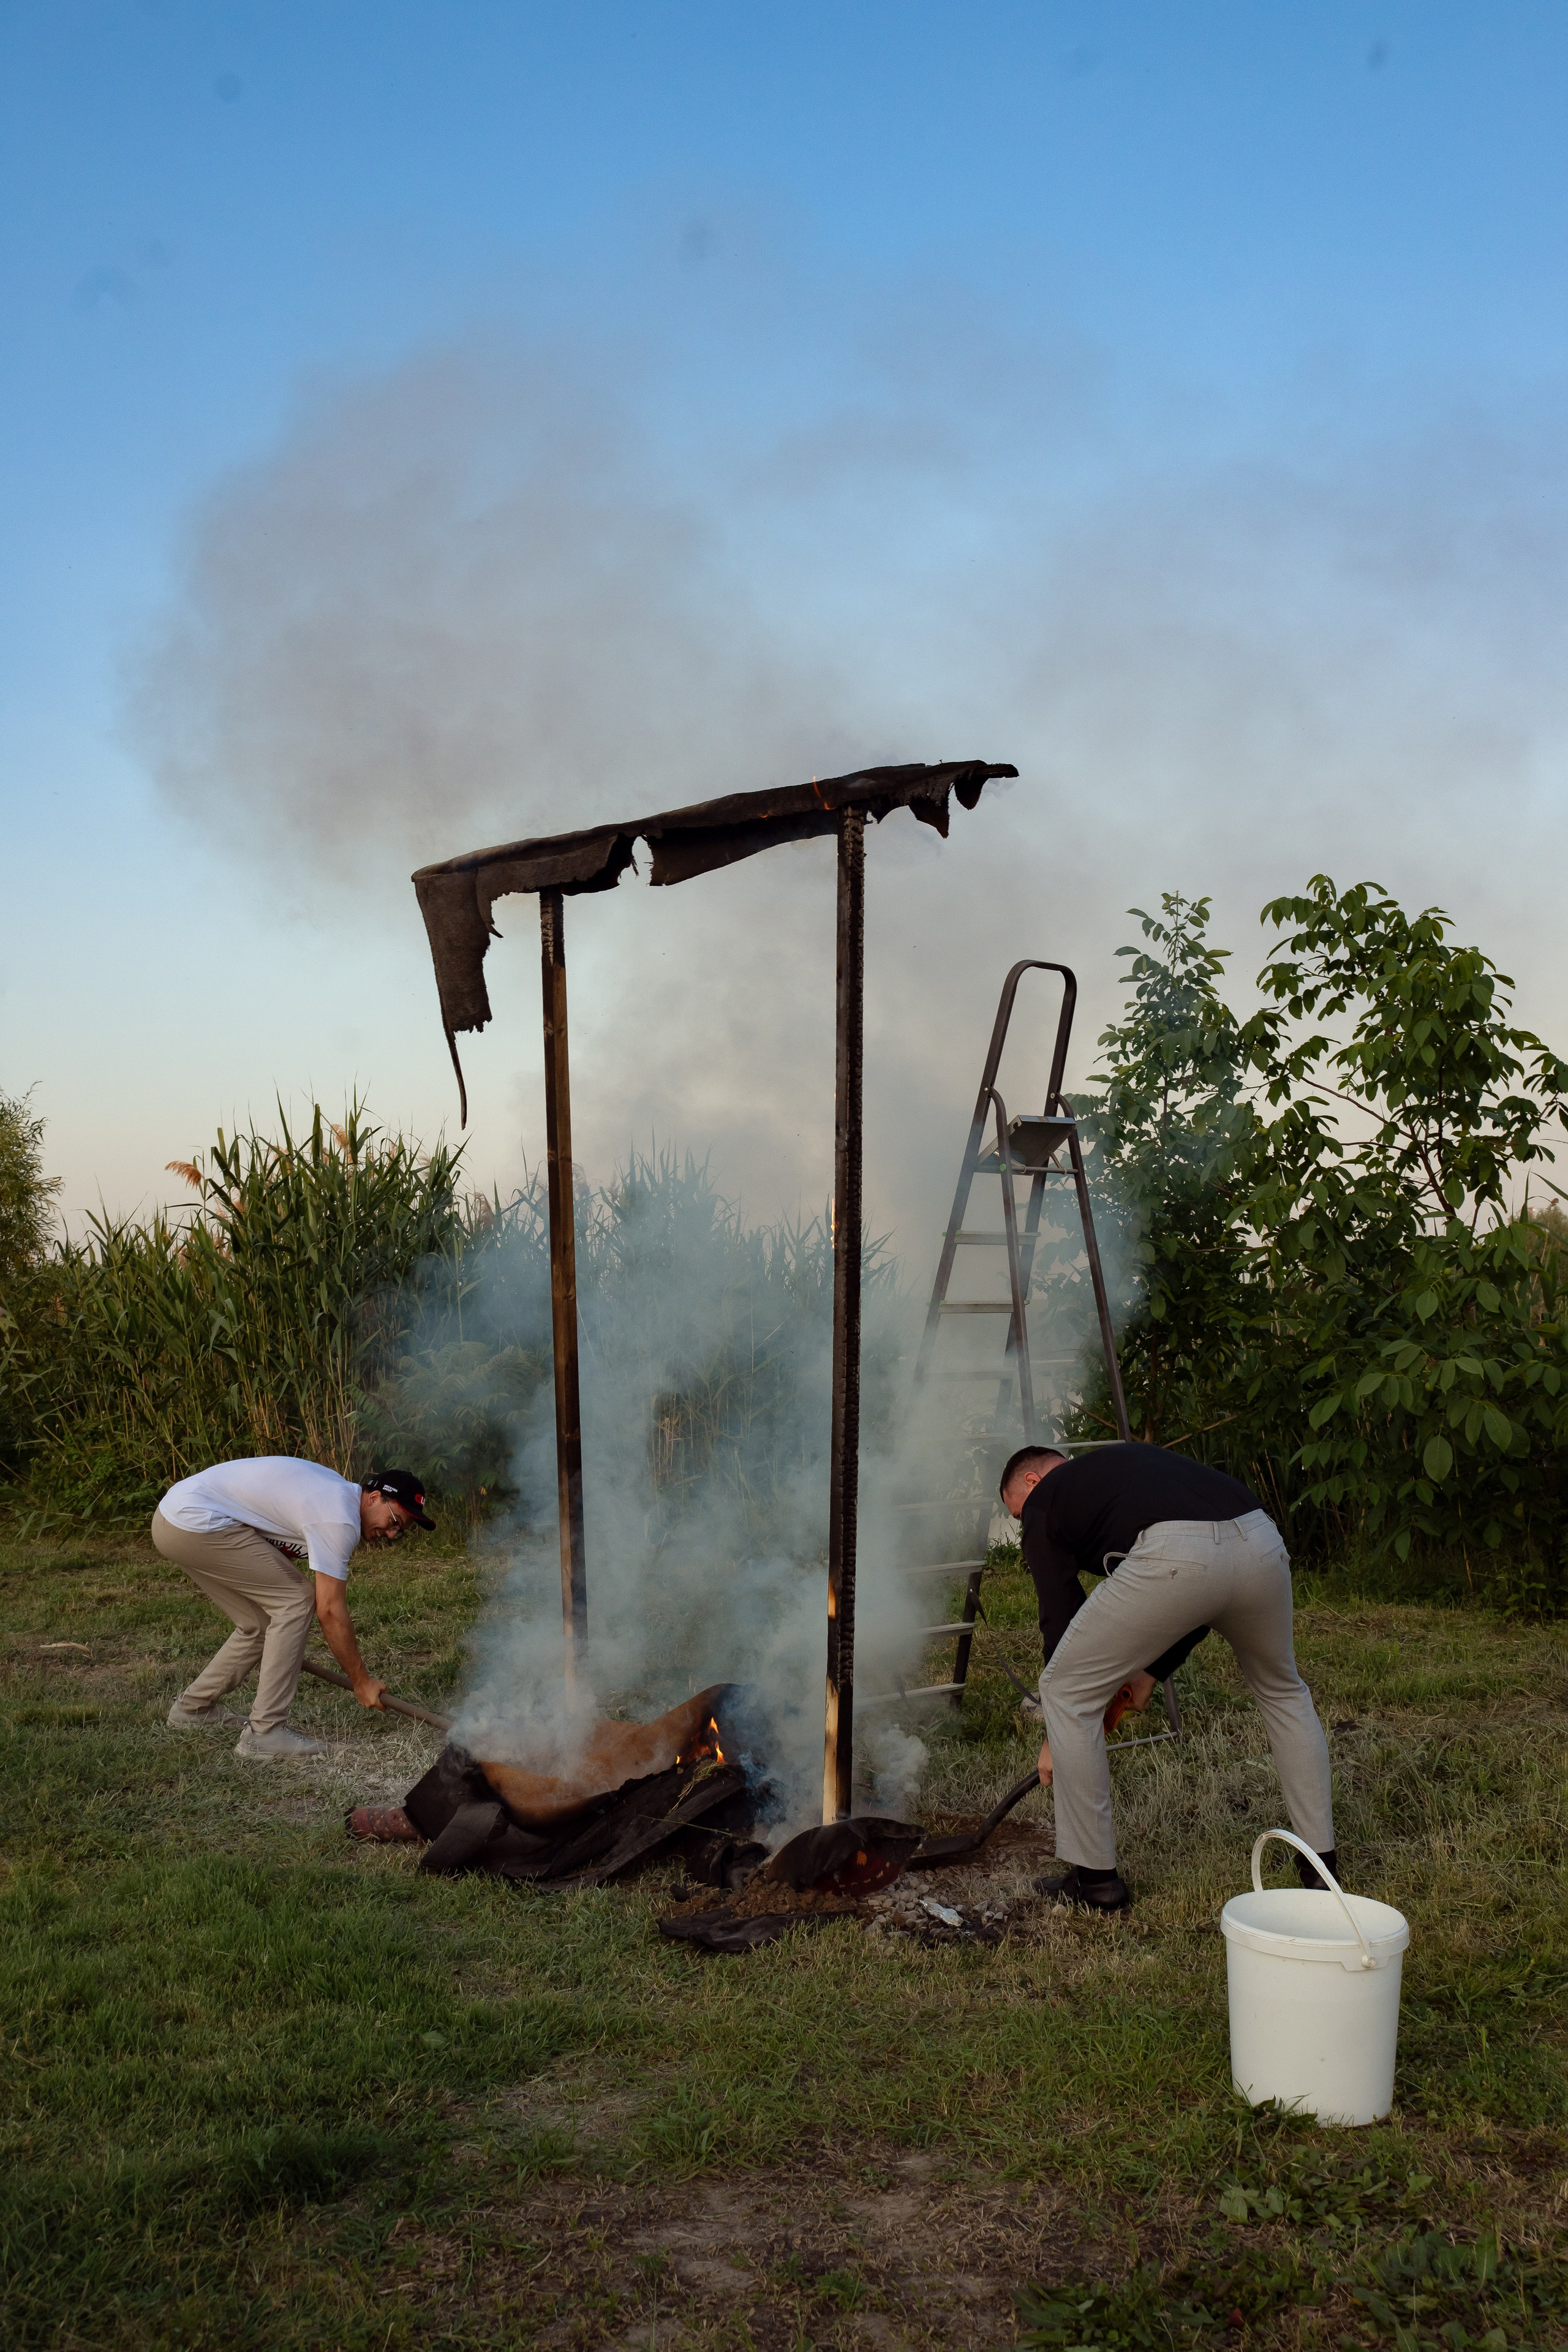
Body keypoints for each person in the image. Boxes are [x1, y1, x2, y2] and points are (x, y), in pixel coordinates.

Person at [998, 1440, 1335, 1915]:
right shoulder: (1129, 1465)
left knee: (1064, 1689)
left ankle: (1096, 1884)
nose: (1023, 1524)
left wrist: (1063, 1725)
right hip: (1261, 1541)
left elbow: (1061, 1617)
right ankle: (1321, 1870)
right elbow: (1209, 1589)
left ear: (1032, 1481)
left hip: (1177, 1556)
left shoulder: (1045, 1498)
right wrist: (1152, 1670)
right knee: (1284, 1692)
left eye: (1018, 1515)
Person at [151, 1457, 433, 1760]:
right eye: (394, 1522)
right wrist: (361, 1681)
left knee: (260, 1624)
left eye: (399, 1531)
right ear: (375, 1497)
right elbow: (330, 1610)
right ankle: (265, 1733)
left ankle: (191, 1710)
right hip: (197, 1522)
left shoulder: (336, 1496)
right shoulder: (338, 1517)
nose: (390, 1534)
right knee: (296, 1600)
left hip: (176, 1521)